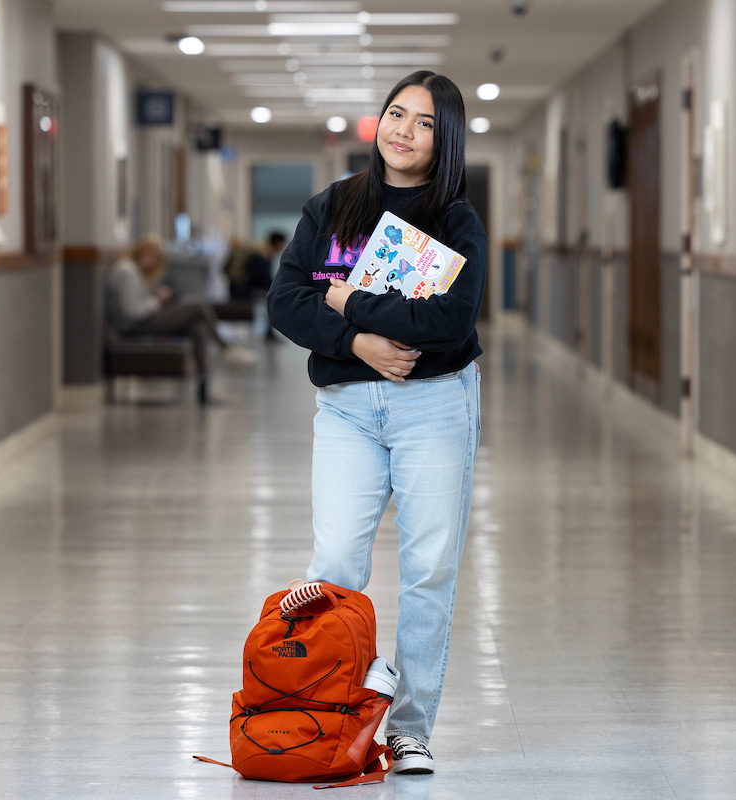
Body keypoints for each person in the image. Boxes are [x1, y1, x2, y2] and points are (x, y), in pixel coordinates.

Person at [266, 71, 485, 775]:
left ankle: (410, 728)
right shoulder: (332, 207)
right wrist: (358, 341)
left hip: (434, 407)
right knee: (335, 565)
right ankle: (328, 709)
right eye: (397, 114)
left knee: (428, 569)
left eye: (424, 123)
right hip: (347, 409)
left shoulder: (455, 222)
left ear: (443, 139)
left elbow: (448, 321)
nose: (404, 131)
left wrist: (346, 302)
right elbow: (286, 302)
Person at [107, 233, 228, 404]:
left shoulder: (134, 271)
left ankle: (203, 386)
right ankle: (223, 346)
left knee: (198, 327)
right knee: (197, 306)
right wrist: (156, 301)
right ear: (139, 251)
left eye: (156, 259)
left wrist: (154, 298)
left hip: (143, 320)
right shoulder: (126, 271)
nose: (151, 262)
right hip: (134, 325)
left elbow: (138, 302)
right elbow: (132, 312)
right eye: (149, 255)